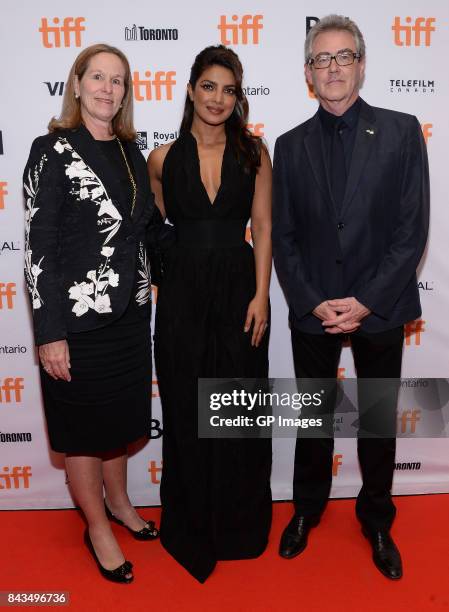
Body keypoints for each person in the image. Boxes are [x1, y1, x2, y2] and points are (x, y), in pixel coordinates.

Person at [272, 15, 429, 580]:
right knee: (313, 420)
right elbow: (282, 238)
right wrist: (315, 302)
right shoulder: (288, 147)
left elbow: (412, 231)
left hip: (380, 306)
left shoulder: (402, 130)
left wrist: (363, 301)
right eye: (322, 59)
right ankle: (306, 511)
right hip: (313, 309)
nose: (332, 68)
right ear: (308, 74)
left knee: (376, 419)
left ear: (361, 64)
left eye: (343, 57)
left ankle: (377, 521)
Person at [23, 43, 159, 584]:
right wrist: (49, 332)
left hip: (130, 317)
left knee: (118, 423)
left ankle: (121, 503)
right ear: (76, 84)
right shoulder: (51, 150)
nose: (108, 88)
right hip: (76, 322)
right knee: (83, 428)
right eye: (97, 77)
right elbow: (40, 249)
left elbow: (143, 230)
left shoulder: (131, 151)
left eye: (118, 80)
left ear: (126, 92)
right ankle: (97, 525)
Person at [147, 44, 272, 582]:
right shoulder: (161, 159)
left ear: (237, 98)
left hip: (240, 289)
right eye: (208, 86)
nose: (218, 98)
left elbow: (263, 227)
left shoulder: (254, 153)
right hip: (182, 295)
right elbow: (153, 230)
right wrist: (162, 286)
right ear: (191, 89)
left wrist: (262, 294)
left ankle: (239, 525)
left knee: (237, 406)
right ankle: (192, 524)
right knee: (184, 407)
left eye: (229, 89)